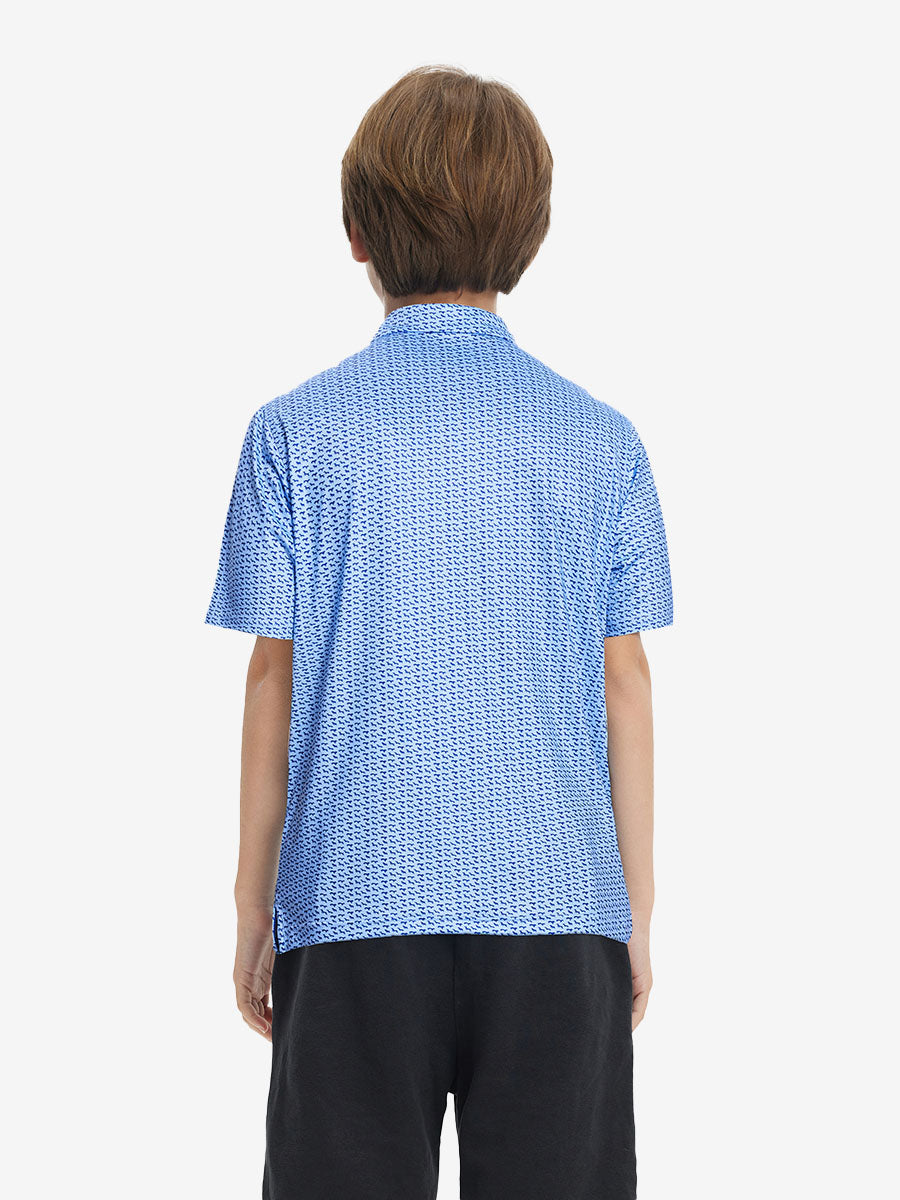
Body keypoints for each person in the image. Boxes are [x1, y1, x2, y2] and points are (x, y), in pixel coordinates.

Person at [205, 64, 674, 1200]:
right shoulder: (601, 441)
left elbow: (273, 680)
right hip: (558, 907)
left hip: (351, 901)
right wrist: (635, 910)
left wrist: (253, 907)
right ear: (529, 236)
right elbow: (626, 684)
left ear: (356, 234)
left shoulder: (292, 435)